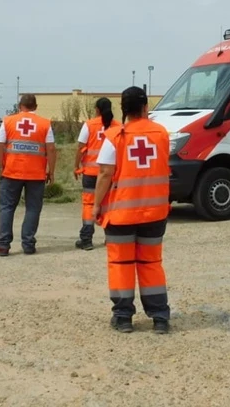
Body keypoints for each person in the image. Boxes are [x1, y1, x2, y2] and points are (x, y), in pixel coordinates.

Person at [92, 86, 172, 334]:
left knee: (121, 263)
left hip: (121, 214)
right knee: (151, 264)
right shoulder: (161, 134)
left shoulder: (115, 137)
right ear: (145, 107)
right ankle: (159, 317)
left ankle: (124, 317)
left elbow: (105, 173)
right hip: (155, 212)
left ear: (123, 109)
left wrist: (96, 205)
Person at [0, 93, 56, 256]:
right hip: (36, 174)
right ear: (35, 107)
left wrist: (1, 165)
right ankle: (28, 244)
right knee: (33, 208)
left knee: (7, 208)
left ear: (20, 106)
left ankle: (4, 246)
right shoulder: (45, 124)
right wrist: (51, 171)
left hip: (11, 172)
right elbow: (51, 149)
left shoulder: (8, 121)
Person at [72, 97, 120, 250]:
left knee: (88, 204)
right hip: (112, 173)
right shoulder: (118, 126)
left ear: (97, 109)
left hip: (91, 173)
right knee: (110, 204)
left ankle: (86, 239)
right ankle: (111, 237)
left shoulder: (89, 125)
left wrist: (76, 165)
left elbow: (81, 147)